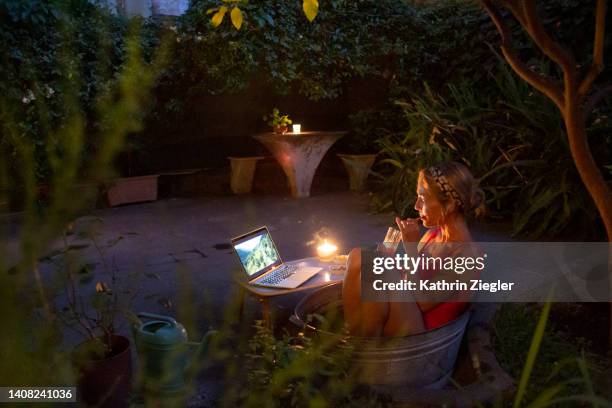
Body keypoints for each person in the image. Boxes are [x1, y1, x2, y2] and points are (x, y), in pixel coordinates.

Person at [342, 161, 485, 337]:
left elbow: (423, 301)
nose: (416, 206)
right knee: (357, 255)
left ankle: (363, 348)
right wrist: (395, 264)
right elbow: (412, 276)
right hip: (408, 314)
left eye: (423, 199)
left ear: (449, 205)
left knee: (380, 268)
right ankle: (352, 336)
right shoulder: (433, 235)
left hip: (423, 336)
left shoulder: (468, 255)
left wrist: (408, 250)